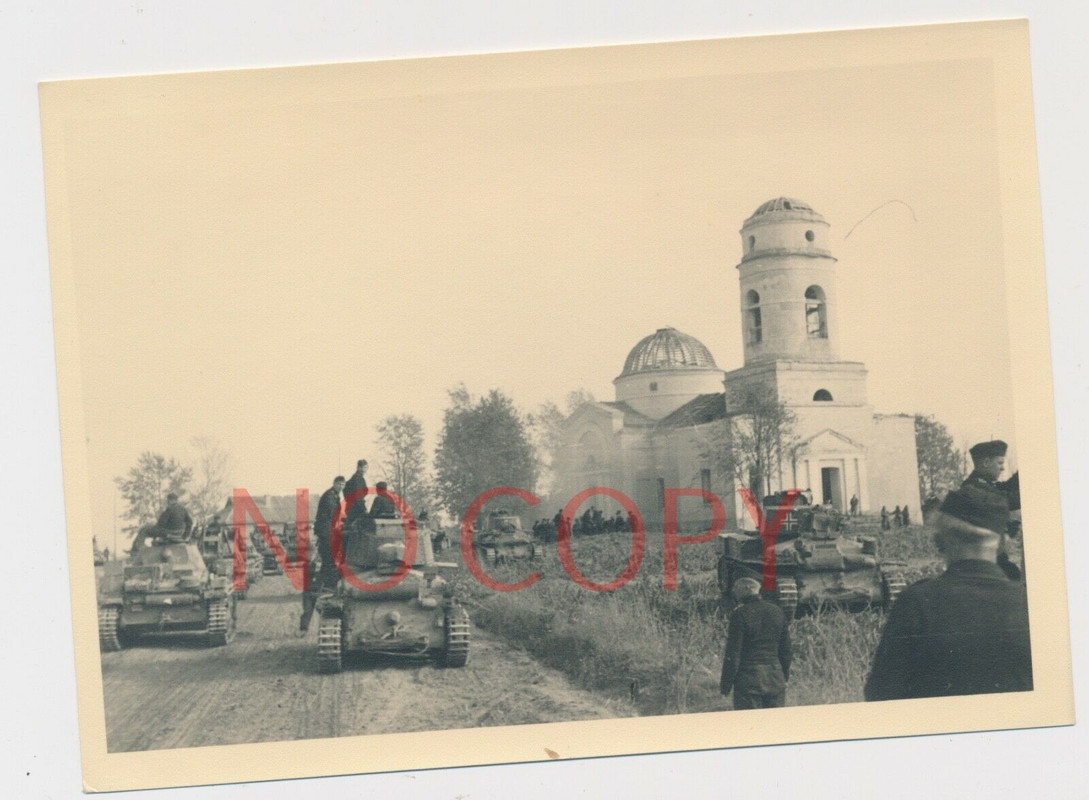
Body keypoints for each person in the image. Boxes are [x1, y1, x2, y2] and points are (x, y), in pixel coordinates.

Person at [864, 487, 1032, 701]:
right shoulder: (1030, 606)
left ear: (939, 541)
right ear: (1002, 543)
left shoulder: (916, 603)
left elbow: (881, 695)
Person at [720, 577, 793, 710]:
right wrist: (784, 677)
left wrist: (726, 685)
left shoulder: (740, 614)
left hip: (748, 681)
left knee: (750, 727)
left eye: (736, 588)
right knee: (776, 726)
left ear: (746, 589)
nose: (733, 592)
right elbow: (786, 650)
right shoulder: (777, 611)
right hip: (775, 679)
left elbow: (733, 653)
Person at [961, 440, 1020, 580]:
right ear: (986, 463)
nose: (1002, 468)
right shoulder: (972, 488)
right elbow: (1009, 499)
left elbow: (1007, 487)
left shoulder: (983, 485)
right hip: (987, 561)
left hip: (992, 558)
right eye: (1000, 463)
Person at [314, 475, 345, 590]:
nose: (341, 487)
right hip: (325, 530)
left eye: (343, 485)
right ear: (334, 484)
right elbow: (333, 513)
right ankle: (327, 585)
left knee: (329, 558)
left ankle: (323, 585)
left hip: (328, 530)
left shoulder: (335, 495)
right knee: (329, 558)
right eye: (339, 484)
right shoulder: (329, 496)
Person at [343, 459, 369, 529]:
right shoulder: (357, 479)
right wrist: (364, 509)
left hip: (353, 507)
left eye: (366, 467)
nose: (365, 470)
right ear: (358, 467)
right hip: (356, 509)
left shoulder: (358, 478)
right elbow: (358, 496)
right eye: (363, 467)